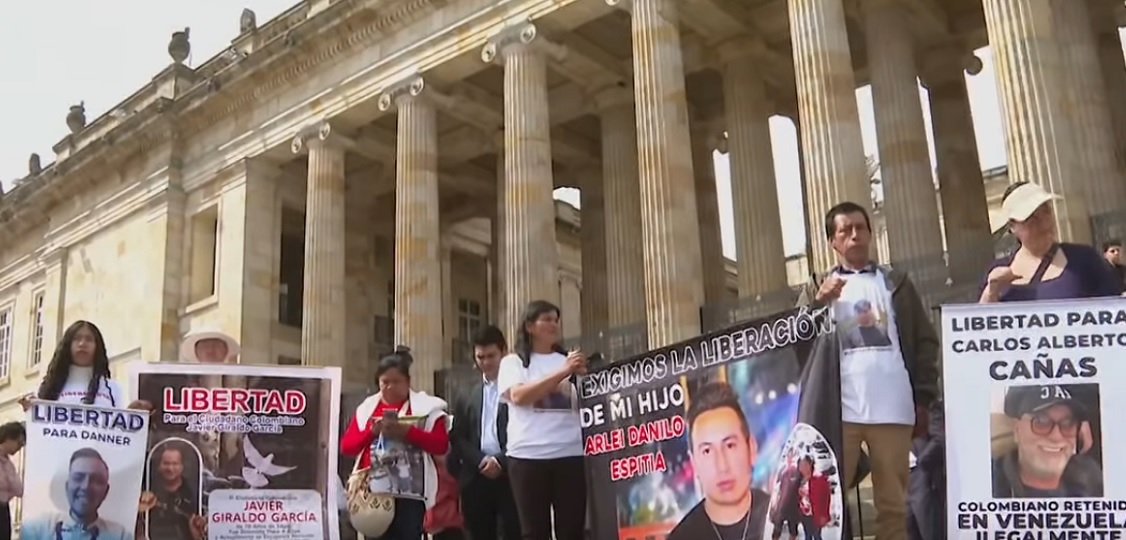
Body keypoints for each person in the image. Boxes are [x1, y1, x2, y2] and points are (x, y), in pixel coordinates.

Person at [796, 201, 939, 540]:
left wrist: (923, 398)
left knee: (893, 508)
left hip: (893, 410)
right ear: (832, 241)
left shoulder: (896, 283)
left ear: (871, 234)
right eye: (845, 230)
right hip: (838, 414)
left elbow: (924, 340)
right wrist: (818, 304)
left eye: (860, 228)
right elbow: (796, 340)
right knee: (825, 506)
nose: (854, 235)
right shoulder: (818, 286)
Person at [497, 300, 587, 540]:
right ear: (529, 326)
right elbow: (519, 396)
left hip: (570, 452)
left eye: (556, 320)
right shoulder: (513, 362)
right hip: (528, 455)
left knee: (572, 530)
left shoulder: (570, 361)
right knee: (534, 532)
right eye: (546, 319)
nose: (553, 324)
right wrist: (563, 372)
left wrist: (583, 374)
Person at [340, 347, 449, 540]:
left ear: (408, 382)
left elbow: (441, 445)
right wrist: (372, 432)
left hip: (410, 496)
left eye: (396, 382)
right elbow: (347, 447)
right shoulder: (366, 409)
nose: (390, 387)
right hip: (374, 495)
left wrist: (409, 432)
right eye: (385, 382)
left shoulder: (428, 407)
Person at [980, 182, 1123, 302]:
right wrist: (991, 292)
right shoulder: (996, 273)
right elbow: (979, 324)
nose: (1043, 222)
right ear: (1012, 227)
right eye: (1031, 217)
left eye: (1046, 211)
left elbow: (1114, 311)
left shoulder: (1084, 258)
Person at [668, 381, 768, 540]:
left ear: (751, 448)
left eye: (730, 446)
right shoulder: (682, 537)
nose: (722, 466)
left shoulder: (783, 520)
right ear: (694, 463)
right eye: (707, 451)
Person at [448, 325, 521, 540]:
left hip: (510, 473)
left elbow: (526, 430)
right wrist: (480, 460)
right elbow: (458, 435)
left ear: (503, 352)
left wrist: (500, 461)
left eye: (491, 356)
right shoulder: (466, 393)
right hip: (476, 476)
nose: (486, 362)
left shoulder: (519, 388)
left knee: (513, 533)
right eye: (480, 357)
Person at [992, 385, 1102, 498]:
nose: (1056, 436)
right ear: (1017, 429)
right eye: (1041, 421)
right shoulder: (990, 483)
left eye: (1067, 423)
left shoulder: (1092, 479)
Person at [19, 321, 147, 412]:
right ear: (67, 345)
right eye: (77, 338)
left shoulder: (113, 389)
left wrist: (133, 414)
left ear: (97, 347)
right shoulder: (45, 389)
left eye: (89, 339)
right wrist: (31, 410)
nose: (82, 344)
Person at [20, 448, 131, 540]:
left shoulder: (120, 536)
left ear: (106, 491)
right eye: (78, 478)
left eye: (96, 480)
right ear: (67, 486)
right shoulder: (36, 529)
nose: (85, 487)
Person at [141, 444, 204, 540]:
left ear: (182, 466)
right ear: (159, 466)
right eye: (166, 463)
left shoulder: (195, 497)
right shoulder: (146, 494)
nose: (170, 468)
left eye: (175, 464)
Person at [907, 399, 945, 540]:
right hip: (901, 482)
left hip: (923, 481)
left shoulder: (932, 407)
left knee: (930, 532)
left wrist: (921, 461)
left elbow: (939, 439)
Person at [0, 422, 25, 540]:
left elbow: (19, 490)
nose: (20, 447)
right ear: (9, 438)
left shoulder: (8, 464)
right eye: (19, 443)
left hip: (3, 509)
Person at [796, 456, 830, 540]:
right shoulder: (799, 480)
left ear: (810, 464)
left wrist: (824, 514)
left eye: (805, 465)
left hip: (816, 514)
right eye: (801, 465)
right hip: (804, 515)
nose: (803, 468)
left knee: (817, 536)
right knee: (808, 536)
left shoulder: (819, 478)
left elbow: (826, 497)